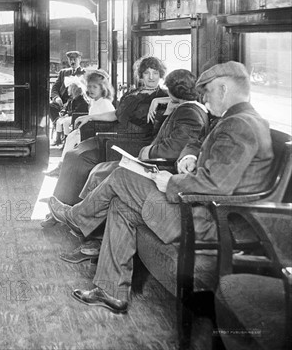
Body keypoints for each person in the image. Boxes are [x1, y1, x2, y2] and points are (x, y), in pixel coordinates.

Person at [48, 61, 274, 313]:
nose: (205, 99)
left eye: (207, 92)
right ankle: (111, 291)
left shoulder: (239, 125)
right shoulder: (237, 120)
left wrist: (172, 181)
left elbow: (216, 184)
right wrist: (190, 156)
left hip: (209, 220)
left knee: (122, 177)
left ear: (223, 89)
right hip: (199, 209)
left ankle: (76, 217)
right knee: (121, 204)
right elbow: (201, 145)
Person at [56, 69, 209, 262]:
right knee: (99, 171)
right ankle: (89, 234)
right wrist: (167, 109)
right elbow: (165, 135)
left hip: (161, 168)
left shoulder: (189, 112)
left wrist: (147, 152)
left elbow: (173, 149)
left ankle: (85, 231)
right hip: (157, 164)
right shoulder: (183, 108)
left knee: (104, 173)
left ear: (171, 90)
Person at [49, 56, 168, 207]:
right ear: (141, 75)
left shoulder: (163, 95)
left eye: (155, 73)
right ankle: (62, 202)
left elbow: (188, 99)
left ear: (161, 74)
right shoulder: (134, 93)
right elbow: (115, 114)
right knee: (72, 154)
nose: (151, 77)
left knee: (80, 159)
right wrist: (90, 117)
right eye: (147, 73)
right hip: (115, 134)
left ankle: (71, 205)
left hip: (133, 141)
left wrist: (160, 101)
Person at [45, 69, 114, 176]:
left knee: (72, 139)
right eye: (89, 86)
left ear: (103, 89)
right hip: (91, 131)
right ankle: (62, 167)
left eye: (95, 87)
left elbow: (109, 125)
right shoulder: (95, 101)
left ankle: (63, 168)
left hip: (99, 136)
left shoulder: (105, 103)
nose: (91, 90)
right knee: (71, 137)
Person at [50, 51, 86, 124]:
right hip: (63, 102)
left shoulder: (84, 73)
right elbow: (55, 88)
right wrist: (57, 98)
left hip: (77, 102)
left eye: (74, 59)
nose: (72, 62)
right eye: (70, 59)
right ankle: (57, 124)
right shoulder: (63, 72)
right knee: (50, 106)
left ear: (79, 59)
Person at [53, 79, 90, 146]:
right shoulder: (71, 99)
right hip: (70, 116)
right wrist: (63, 112)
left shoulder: (81, 100)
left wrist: (68, 114)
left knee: (65, 122)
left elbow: (78, 110)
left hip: (77, 116)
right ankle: (58, 139)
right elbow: (66, 108)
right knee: (58, 121)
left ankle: (66, 141)